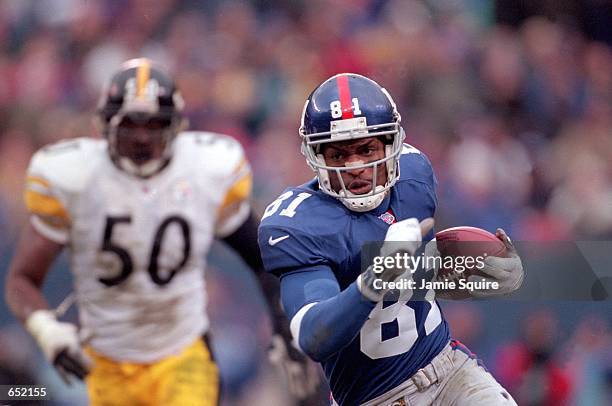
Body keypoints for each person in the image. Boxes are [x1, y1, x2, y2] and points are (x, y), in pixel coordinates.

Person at [5, 58, 317, 405]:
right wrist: (47, 332)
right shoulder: (75, 180)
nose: (141, 138)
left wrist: (283, 326)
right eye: (131, 125)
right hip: (105, 363)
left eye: (154, 125)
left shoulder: (204, 171)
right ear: (105, 126)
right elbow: (22, 279)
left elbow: (264, 260)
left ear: (176, 126)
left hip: (182, 354)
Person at [258, 73, 524, 405]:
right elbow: (314, 335)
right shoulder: (299, 224)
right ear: (316, 157)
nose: (355, 165)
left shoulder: (413, 178)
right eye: (338, 155)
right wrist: (377, 276)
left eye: (366, 149)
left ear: (391, 144)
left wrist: (479, 269)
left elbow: (420, 270)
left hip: (452, 370)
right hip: (377, 398)